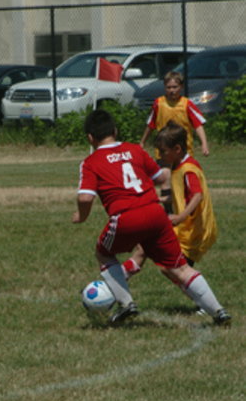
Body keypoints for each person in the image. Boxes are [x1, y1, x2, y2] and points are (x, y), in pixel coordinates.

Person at [72, 109, 231, 326]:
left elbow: (85, 198)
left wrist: (81, 216)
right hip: (156, 213)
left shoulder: (90, 162)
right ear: (115, 131)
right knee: (181, 267)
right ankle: (219, 311)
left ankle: (126, 304)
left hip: (126, 216)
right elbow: (160, 177)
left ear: (90, 138)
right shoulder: (135, 150)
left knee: (103, 253)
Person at [123, 120, 218, 281]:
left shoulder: (188, 170)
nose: (160, 155)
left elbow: (197, 196)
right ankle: (117, 280)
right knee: (145, 247)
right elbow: (182, 196)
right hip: (185, 228)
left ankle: (205, 298)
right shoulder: (178, 165)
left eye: (163, 151)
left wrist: (180, 217)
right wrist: (158, 199)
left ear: (177, 149)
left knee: (172, 269)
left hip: (192, 232)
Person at [140, 70, 209, 159]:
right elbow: (150, 125)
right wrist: (142, 142)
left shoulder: (187, 104)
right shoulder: (158, 103)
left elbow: (198, 125)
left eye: (175, 87)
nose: (172, 90)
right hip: (163, 153)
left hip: (184, 153)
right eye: (168, 87)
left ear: (181, 87)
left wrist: (204, 143)